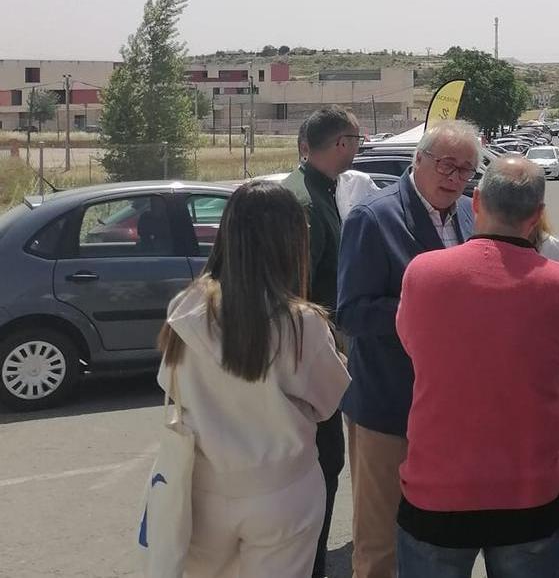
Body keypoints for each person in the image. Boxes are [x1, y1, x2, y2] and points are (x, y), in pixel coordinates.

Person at [394, 155, 559, 577]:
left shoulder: (422, 273)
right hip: (529, 491)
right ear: (537, 216)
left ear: (475, 200)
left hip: (437, 491)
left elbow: (413, 348)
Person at [158, 181, 350, 577]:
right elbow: (328, 400)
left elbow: (170, 383)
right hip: (283, 490)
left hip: (202, 486)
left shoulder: (186, 306)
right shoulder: (301, 323)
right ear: (290, 240)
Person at [337, 121, 480, 578]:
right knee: (380, 545)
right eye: (446, 165)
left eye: (465, 169)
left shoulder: (468, 216)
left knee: (438, 538)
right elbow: (352, 313)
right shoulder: (372, 218)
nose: (454, 177)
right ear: (418, 159)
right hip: (388, 407)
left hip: (450, 410)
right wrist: (425, 311)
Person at [281, 106, 361, 577]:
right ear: (341, 143)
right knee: (321, 468)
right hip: (307, 370)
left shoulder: (318, 190)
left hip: (315, 361)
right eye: (357, 140)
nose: (359, 147)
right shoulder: (306, 201)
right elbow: (297, 298)